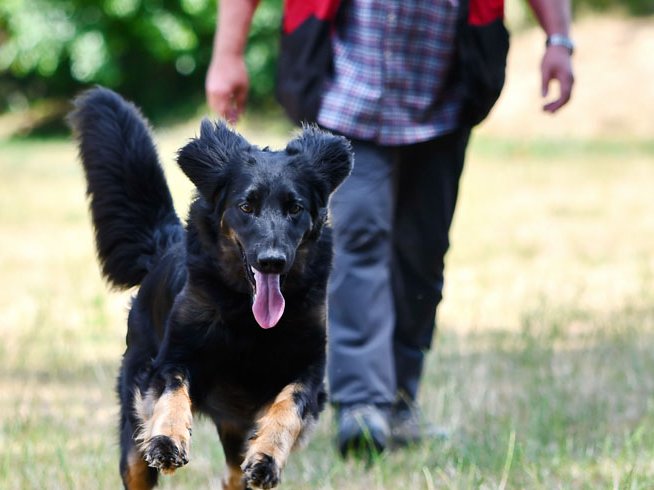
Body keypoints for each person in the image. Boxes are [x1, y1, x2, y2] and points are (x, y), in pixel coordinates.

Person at [206, 0, 574, 456]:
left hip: (445, 98)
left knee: (421, 256)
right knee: (356, 243)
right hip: (348, 97)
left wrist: (558, 38)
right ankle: (362, 404)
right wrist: (228, 53)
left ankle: (399, 403)